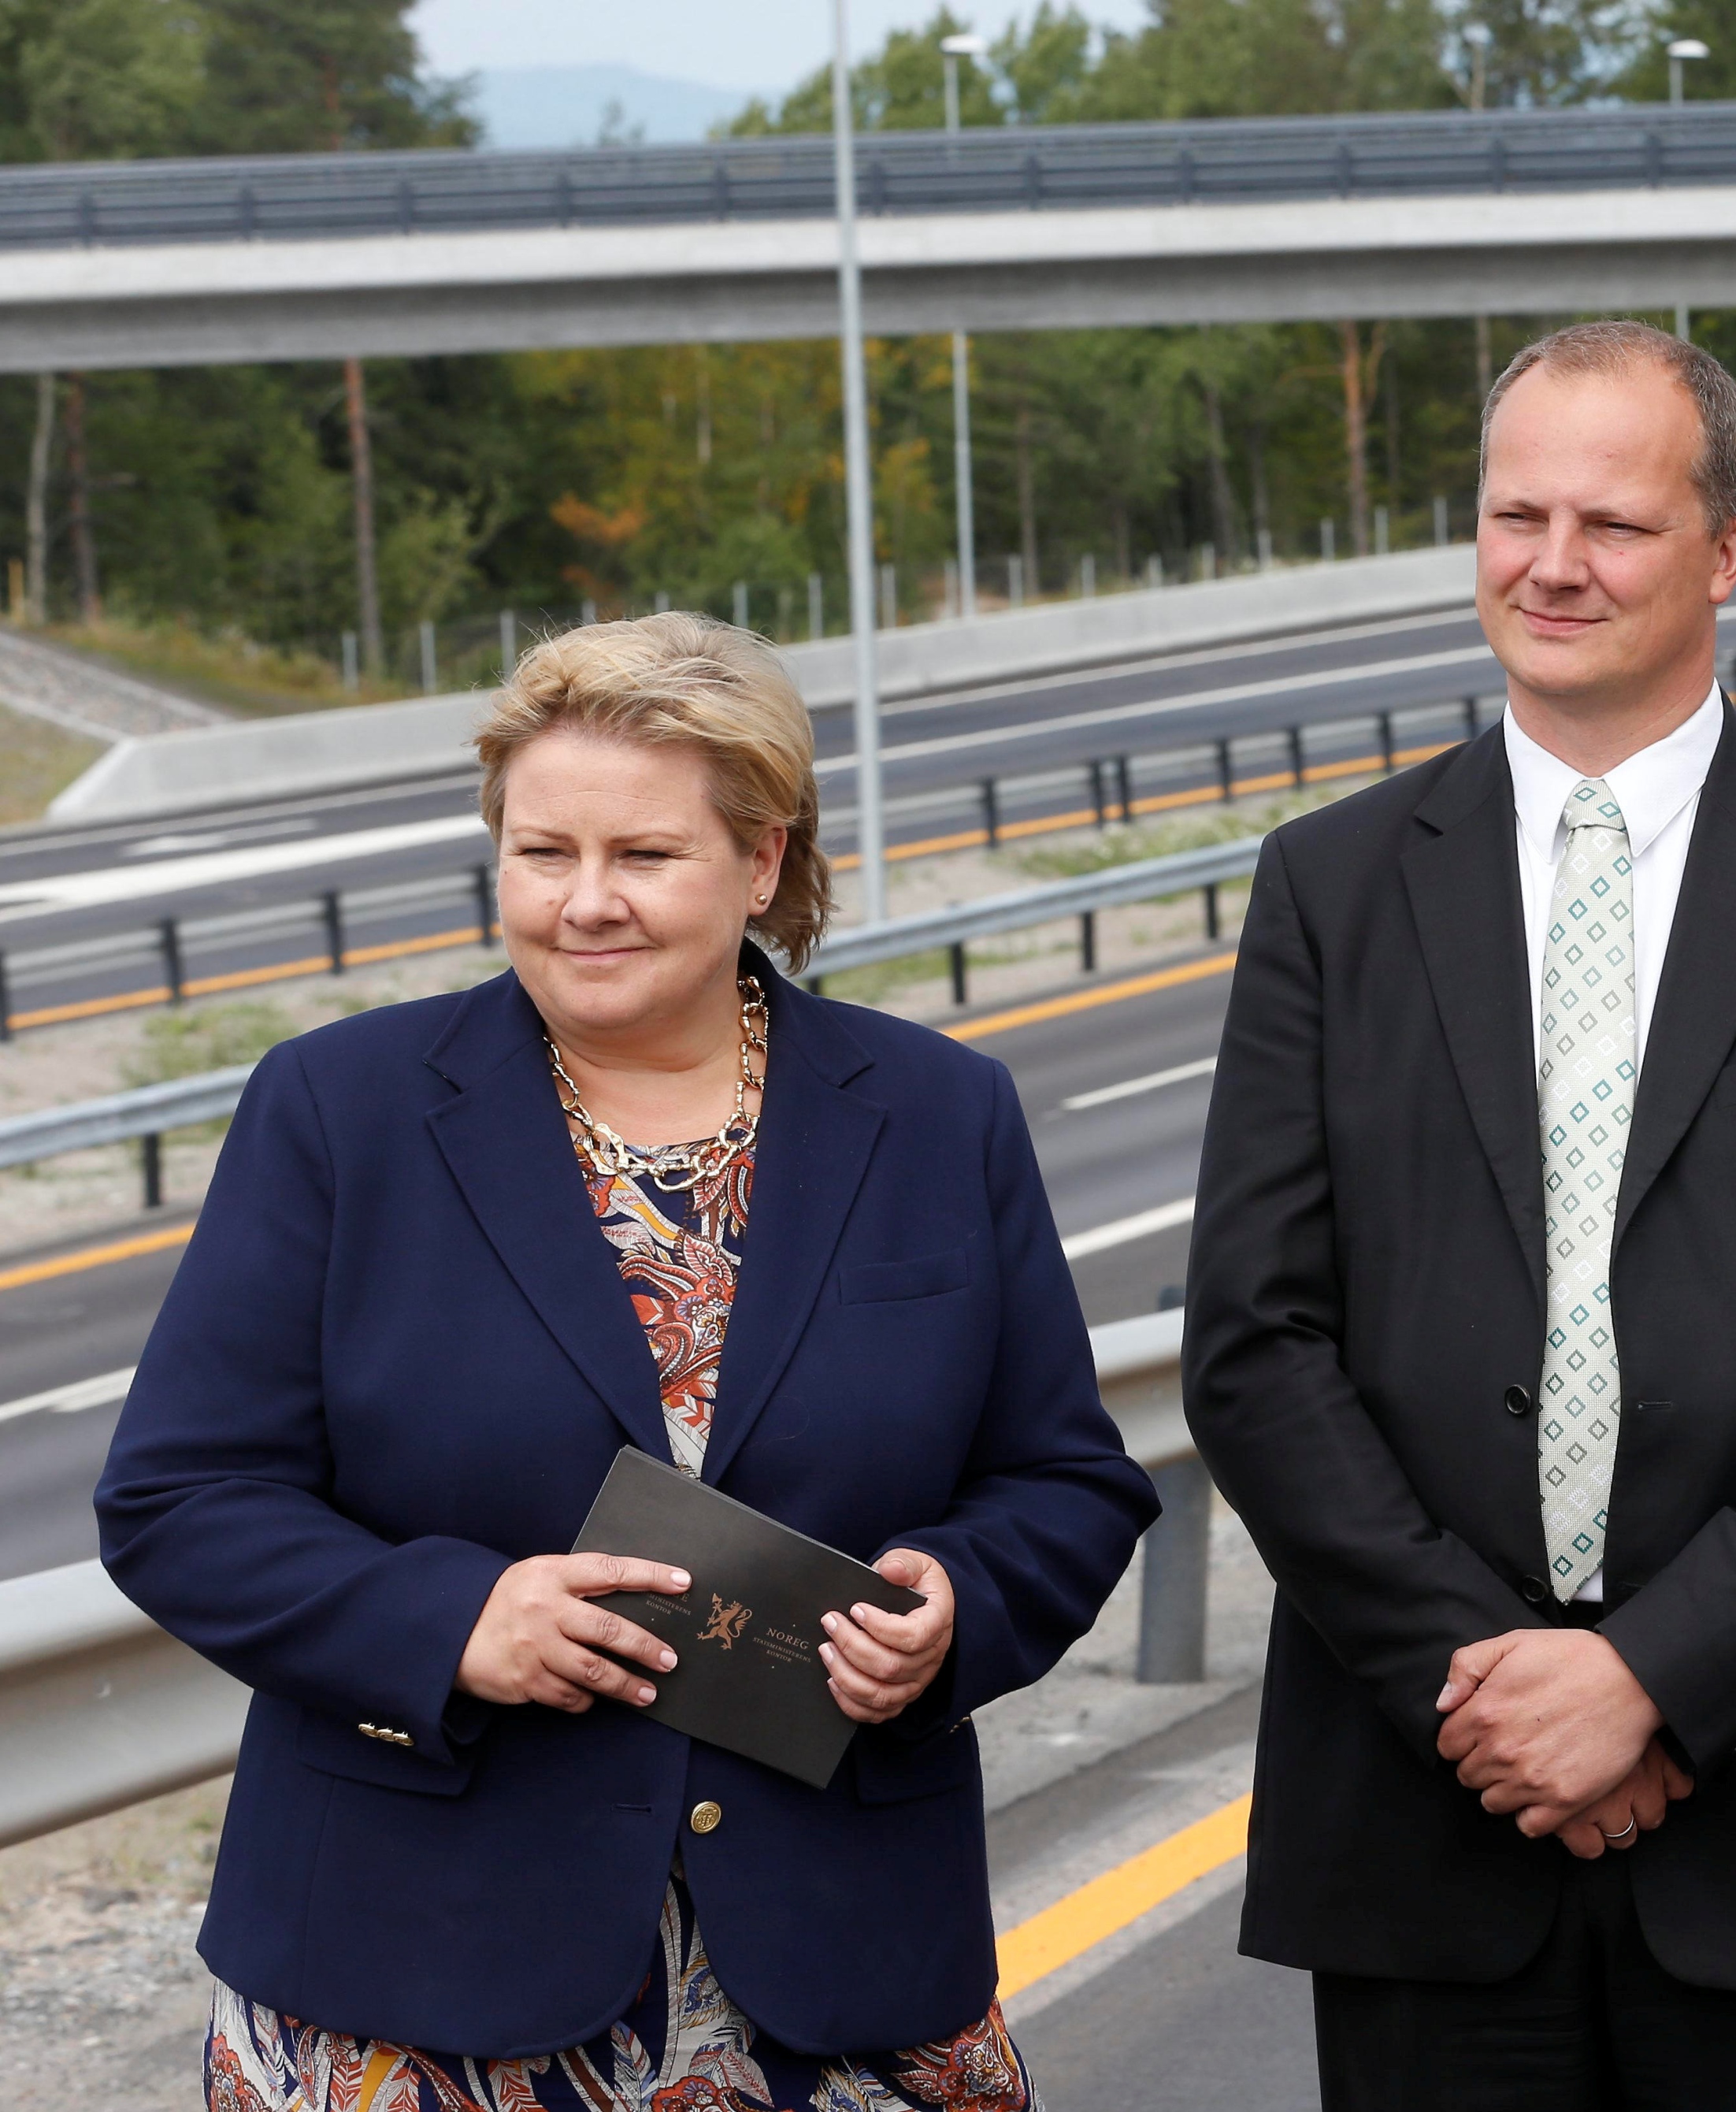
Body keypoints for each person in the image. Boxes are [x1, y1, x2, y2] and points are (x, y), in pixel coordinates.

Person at [96, 612, 1159, 2112]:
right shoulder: (339, 1110)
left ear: (763, 859)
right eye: (542, 853)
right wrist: (455, 1616)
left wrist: (951, 1611)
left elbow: (1063, 1480)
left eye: (643, 857)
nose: (583, 903)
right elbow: (182, 1496)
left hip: (839, 1967)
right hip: (413, 1978)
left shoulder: (938, 1114)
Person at [1183, 321, 1736, 2109]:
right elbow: (1256, 1340)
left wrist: (1652, 1677)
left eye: (1615, 525)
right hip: (1430, 1822)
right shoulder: (1328, 888)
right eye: (1516, 515)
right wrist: (1491, 1701)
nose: (1553, 565)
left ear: (1729, 550)